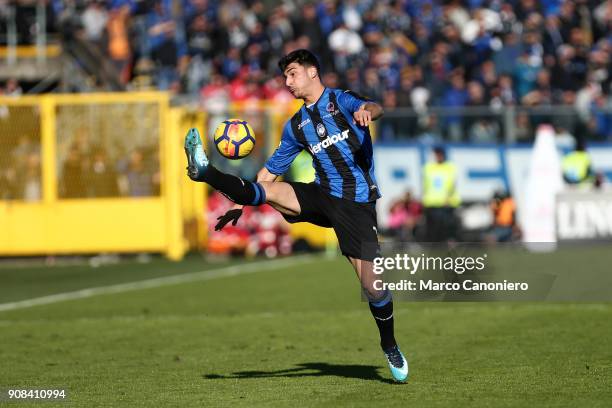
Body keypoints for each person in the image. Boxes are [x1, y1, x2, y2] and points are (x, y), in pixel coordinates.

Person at [184, 49, 408, 382]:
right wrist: (239, 202)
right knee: (269, 191)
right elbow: (270, 172)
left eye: (292, 74)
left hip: (355, 205)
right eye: (285, 77)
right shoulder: (296, 127)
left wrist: (365, 112)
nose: (287, 82)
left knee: (373, 288)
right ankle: (207, 172)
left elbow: (376, 107)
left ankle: (389, 344)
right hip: (320, 195)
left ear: (312, 71)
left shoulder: (340, 100)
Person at [422, 146, 461, 242]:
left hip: (446, 203)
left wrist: (449, 198)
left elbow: (452, 184)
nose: (438, 156)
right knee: (432, 231)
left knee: (446, 229)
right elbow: (425, 185)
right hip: (431, 203)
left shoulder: (449, 167)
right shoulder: (428, 167)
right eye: (436, 154)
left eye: (440, 154)